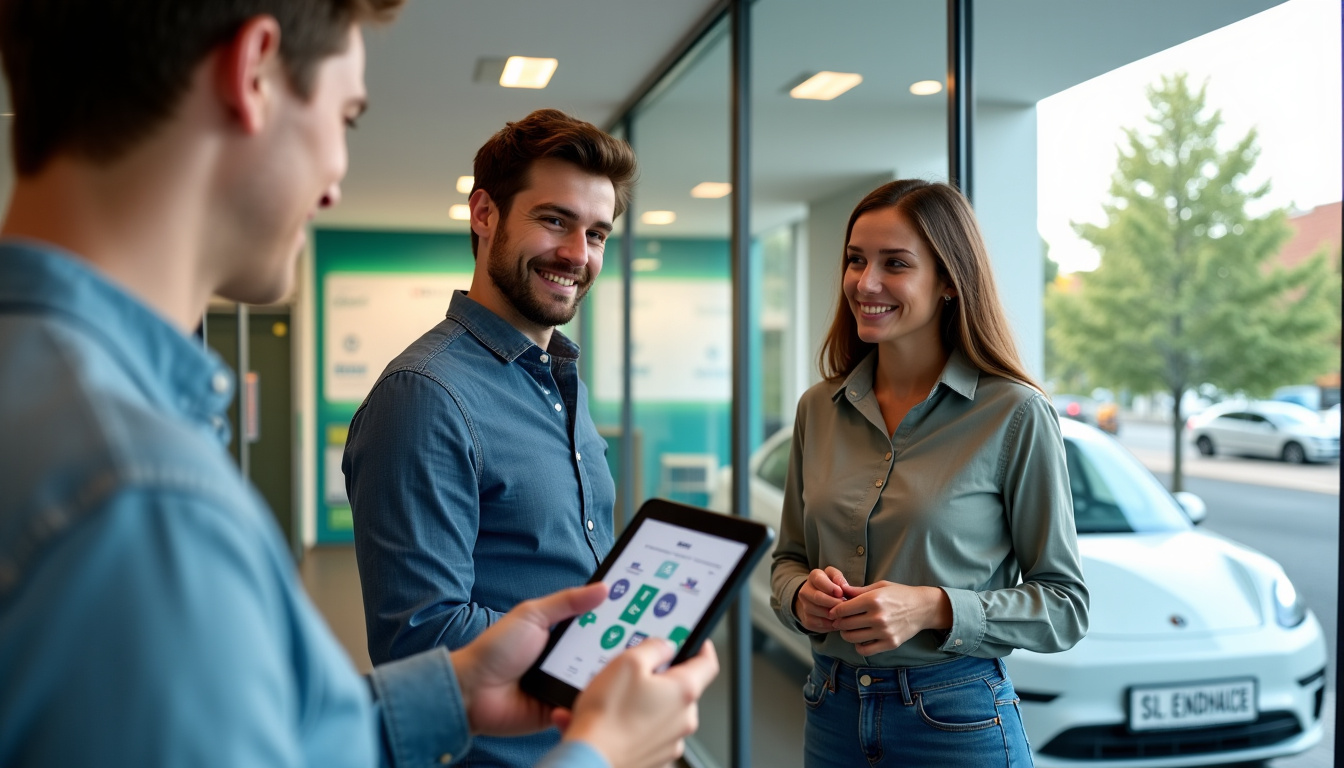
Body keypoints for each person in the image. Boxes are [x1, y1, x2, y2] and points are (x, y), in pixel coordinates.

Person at [0, 3, 717, 767]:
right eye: (346, 116)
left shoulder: (78, 412)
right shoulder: (142, 487)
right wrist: (602, 753)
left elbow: (278, 736)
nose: (337, 179)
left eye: (598, 232)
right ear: (254, 73)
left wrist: (457, 689)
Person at [343, 109, 630, 767]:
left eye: (597, 233)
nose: (577, 254)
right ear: (483, 215)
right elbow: (423, 641)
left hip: (588, 741)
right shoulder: (423, 396)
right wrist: (600, 648)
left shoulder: (559, 379)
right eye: (554, 220)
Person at [770, 180, 1089, 767]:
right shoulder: (819, 407)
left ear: (948, 281)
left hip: (955, 720)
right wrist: (799, 597)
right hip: (831, 710)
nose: (866, 283)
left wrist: (934, 607)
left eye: (895, 264)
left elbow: (1066, 606)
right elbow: (787, 559)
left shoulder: (1014, 414)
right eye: (856, 260)